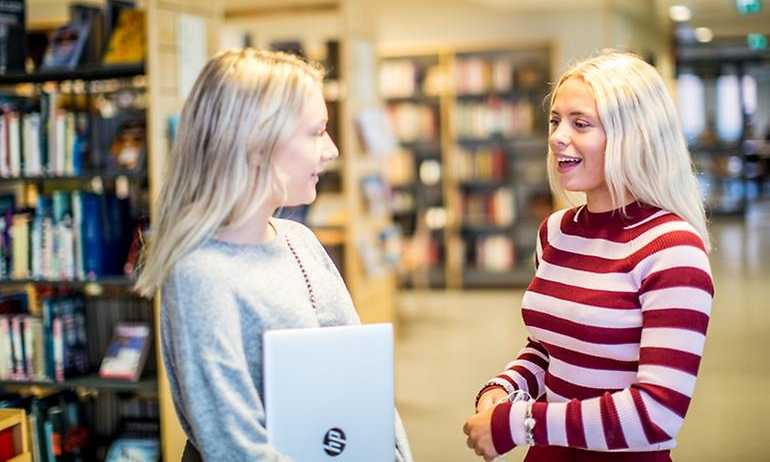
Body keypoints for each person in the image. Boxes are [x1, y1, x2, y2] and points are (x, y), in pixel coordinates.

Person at [134, 49, 413, 461]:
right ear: (257, 142)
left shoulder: (299, 242)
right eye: (316, 132)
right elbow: (234, 445)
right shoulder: (200, 273)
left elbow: (362, 382)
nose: (332, 150)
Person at [463, 50, 714, 462]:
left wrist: (521, 423)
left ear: (634, 136)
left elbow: (658, 414)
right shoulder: (555, 232)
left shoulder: (673, 249)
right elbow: (548, 349)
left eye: (581, 124)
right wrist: (504, 388)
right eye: (555, 120)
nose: (557, 136)